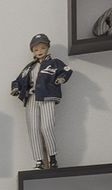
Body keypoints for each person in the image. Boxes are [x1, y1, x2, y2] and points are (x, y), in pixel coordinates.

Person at [10, 33, 72, 169]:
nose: (39, 51)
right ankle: (39, 160)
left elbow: (67, 70)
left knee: (47, 127)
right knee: (33, 129)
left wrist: (61, 78)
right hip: (31, 98)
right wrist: (15, 89)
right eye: (36, 49)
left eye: (42, 48)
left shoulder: (54, 63)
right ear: (32, 51)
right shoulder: (29, 67)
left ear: (48, 48)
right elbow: (17, 81)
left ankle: (52, 157)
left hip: (47, 97)